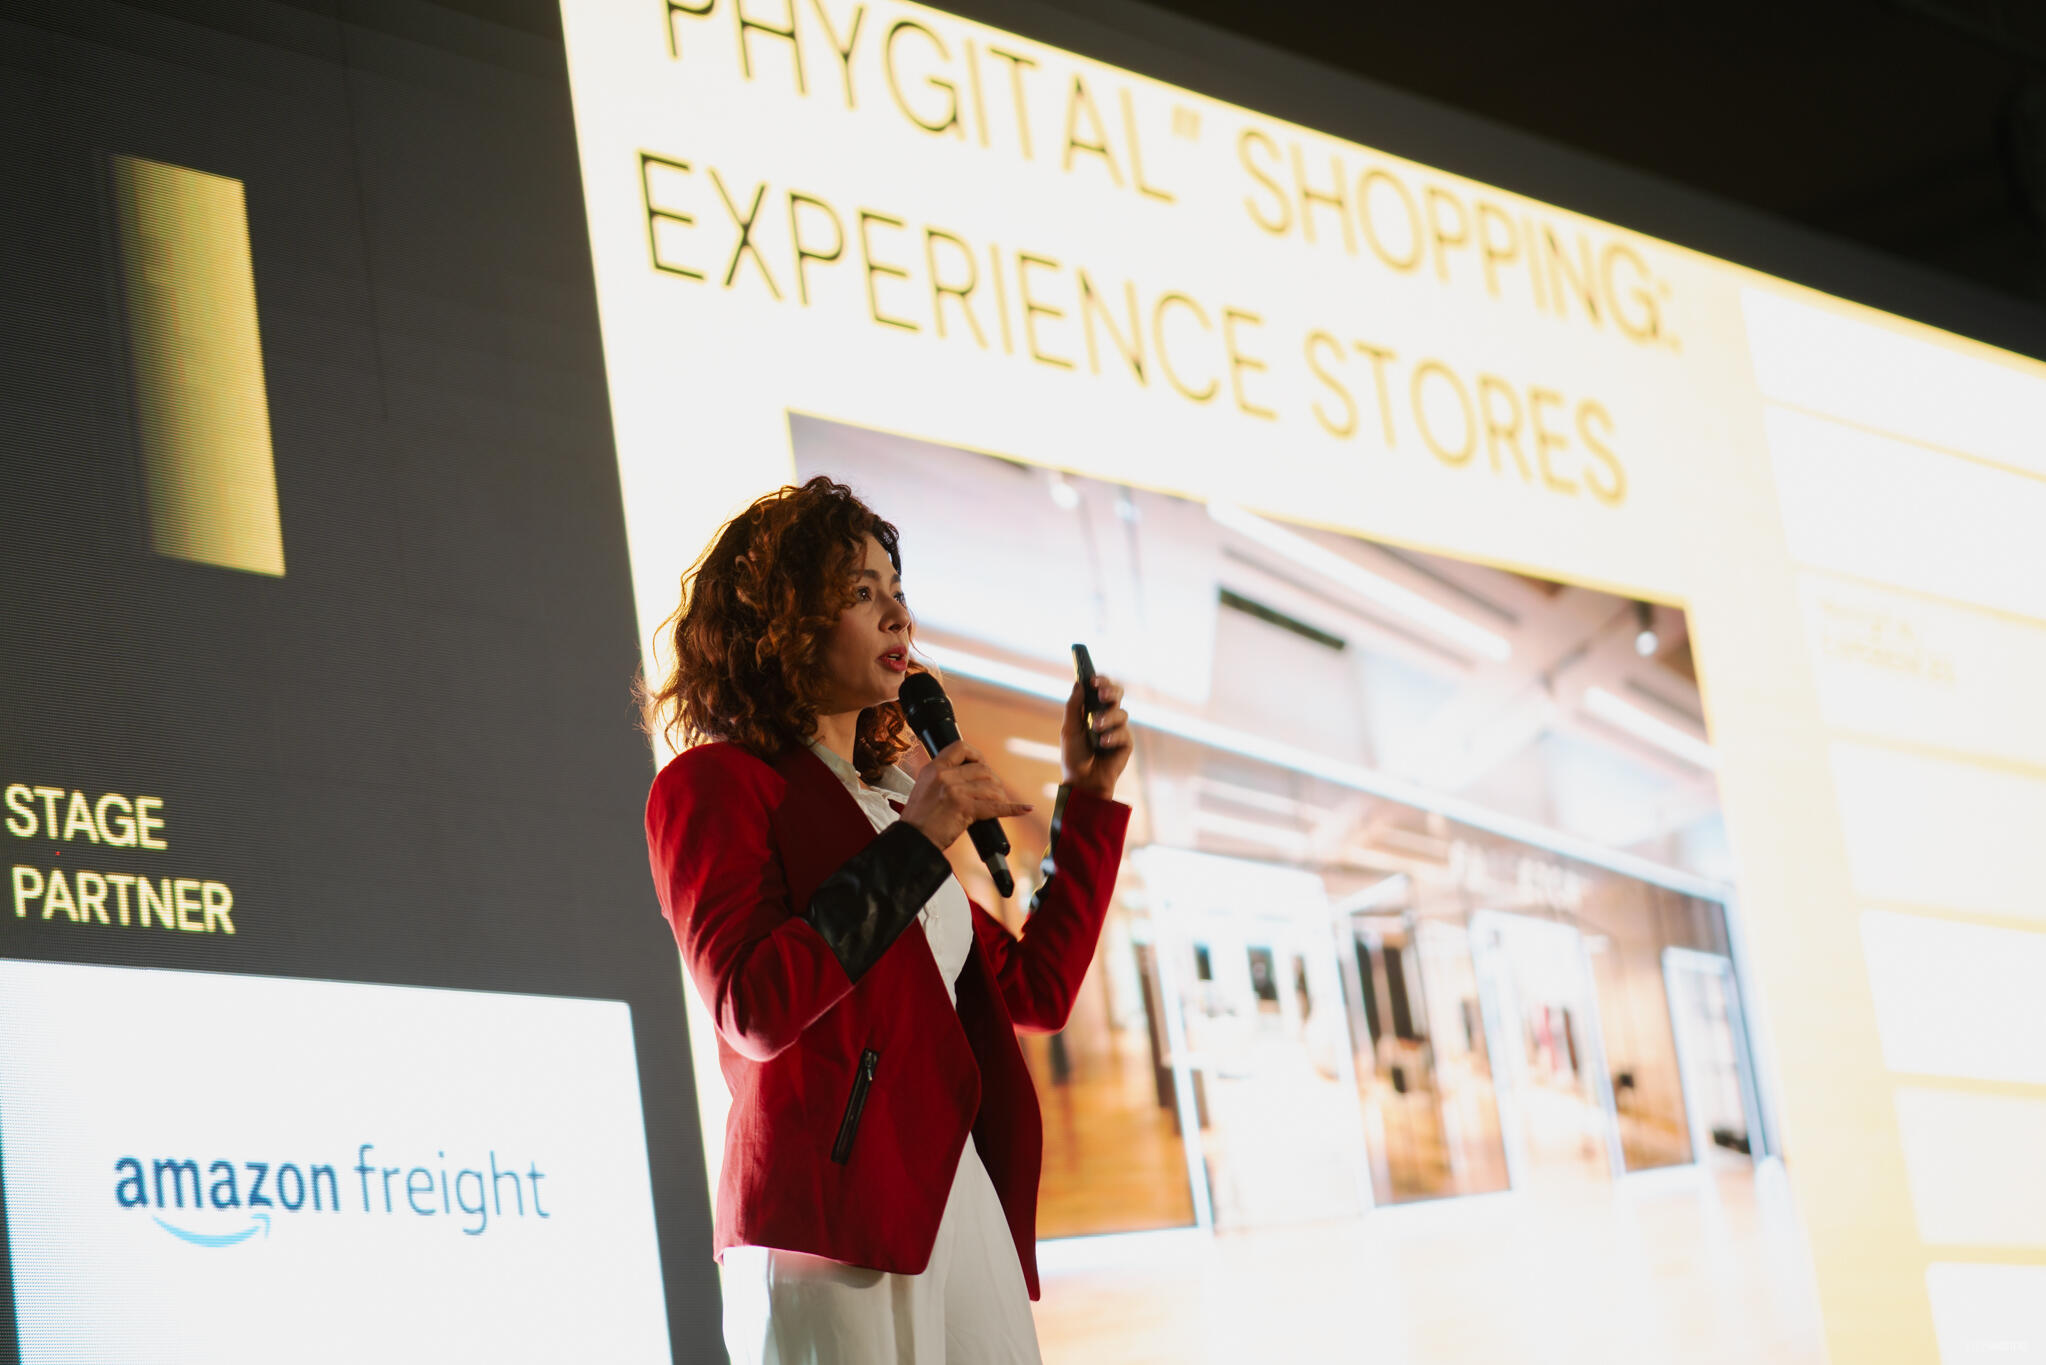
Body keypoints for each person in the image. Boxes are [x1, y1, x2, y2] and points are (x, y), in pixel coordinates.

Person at [642, 476, 1133, 1364]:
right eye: (860, 591)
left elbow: (1037, 988)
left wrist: (1088, 795)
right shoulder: (714, 784)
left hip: (953, 1189)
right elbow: (752, 1003)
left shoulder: (889, 805)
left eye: (896, 589)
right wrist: (915, 844)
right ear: (782, 619)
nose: (897, 614)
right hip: (828, 1217)